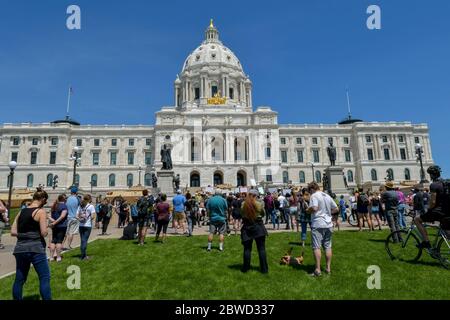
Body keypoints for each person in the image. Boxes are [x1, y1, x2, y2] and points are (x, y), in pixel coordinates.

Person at [11, 189, 51, 300]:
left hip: (20, 248)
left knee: (19, 279)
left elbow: (13, 232)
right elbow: (44, 232)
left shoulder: (21, 212)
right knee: (44, 277)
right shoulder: (41, 212)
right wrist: (47, 226)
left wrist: (25, 235)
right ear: (43, 199)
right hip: (36, 248)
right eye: (45, 201)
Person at [306, 182, 338, 277]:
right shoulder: (327, 196)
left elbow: (315, 208)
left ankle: (318, 269)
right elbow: (336, 209)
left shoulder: (314, 196)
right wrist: (327, 213)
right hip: (328, 224)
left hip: (318, 223)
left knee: (316, 246)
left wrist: (308, 210)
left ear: (312, 189)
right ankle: (328, 268)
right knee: (327, 246)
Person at [414, 166, 449, 251]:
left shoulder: (434, 185)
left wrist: (428, 210)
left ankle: (426, 242)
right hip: (447, 210)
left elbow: (433, 202)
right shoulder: (446, 183)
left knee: (417, 219)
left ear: (431, 175)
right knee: (448, 232)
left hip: (438, 211)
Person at [240, 189, 268, 274]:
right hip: (258, 226)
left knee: (247, 249)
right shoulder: (259, 204)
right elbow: (263, 214)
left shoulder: (243, 204)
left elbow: (242, 214)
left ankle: (246, 268)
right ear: (255, 196)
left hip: (247, 226)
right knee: (261, 249)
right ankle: (264, 269)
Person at [48, 194, 68, 262]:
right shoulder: (64, 206)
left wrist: (53, 221)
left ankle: (51, 257)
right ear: (64, 199)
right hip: (61, 226)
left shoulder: (54, 205)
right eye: (66, 198)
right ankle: (58, 257)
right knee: (59, 241)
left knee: (53, 241)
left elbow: (49, 216)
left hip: (55, 227)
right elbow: (62, 216)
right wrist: (55, 222)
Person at [77, 194, 96, 260]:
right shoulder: (91, 206)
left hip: (81, 225)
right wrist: (88, 219)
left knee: (82, 240)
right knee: (85, 240)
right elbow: (93, 216)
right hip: (87, 225)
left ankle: (83, 254)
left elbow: (76, 215)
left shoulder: (80, 206)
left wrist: (80, 219)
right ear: (89, 199)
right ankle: (83, 256)